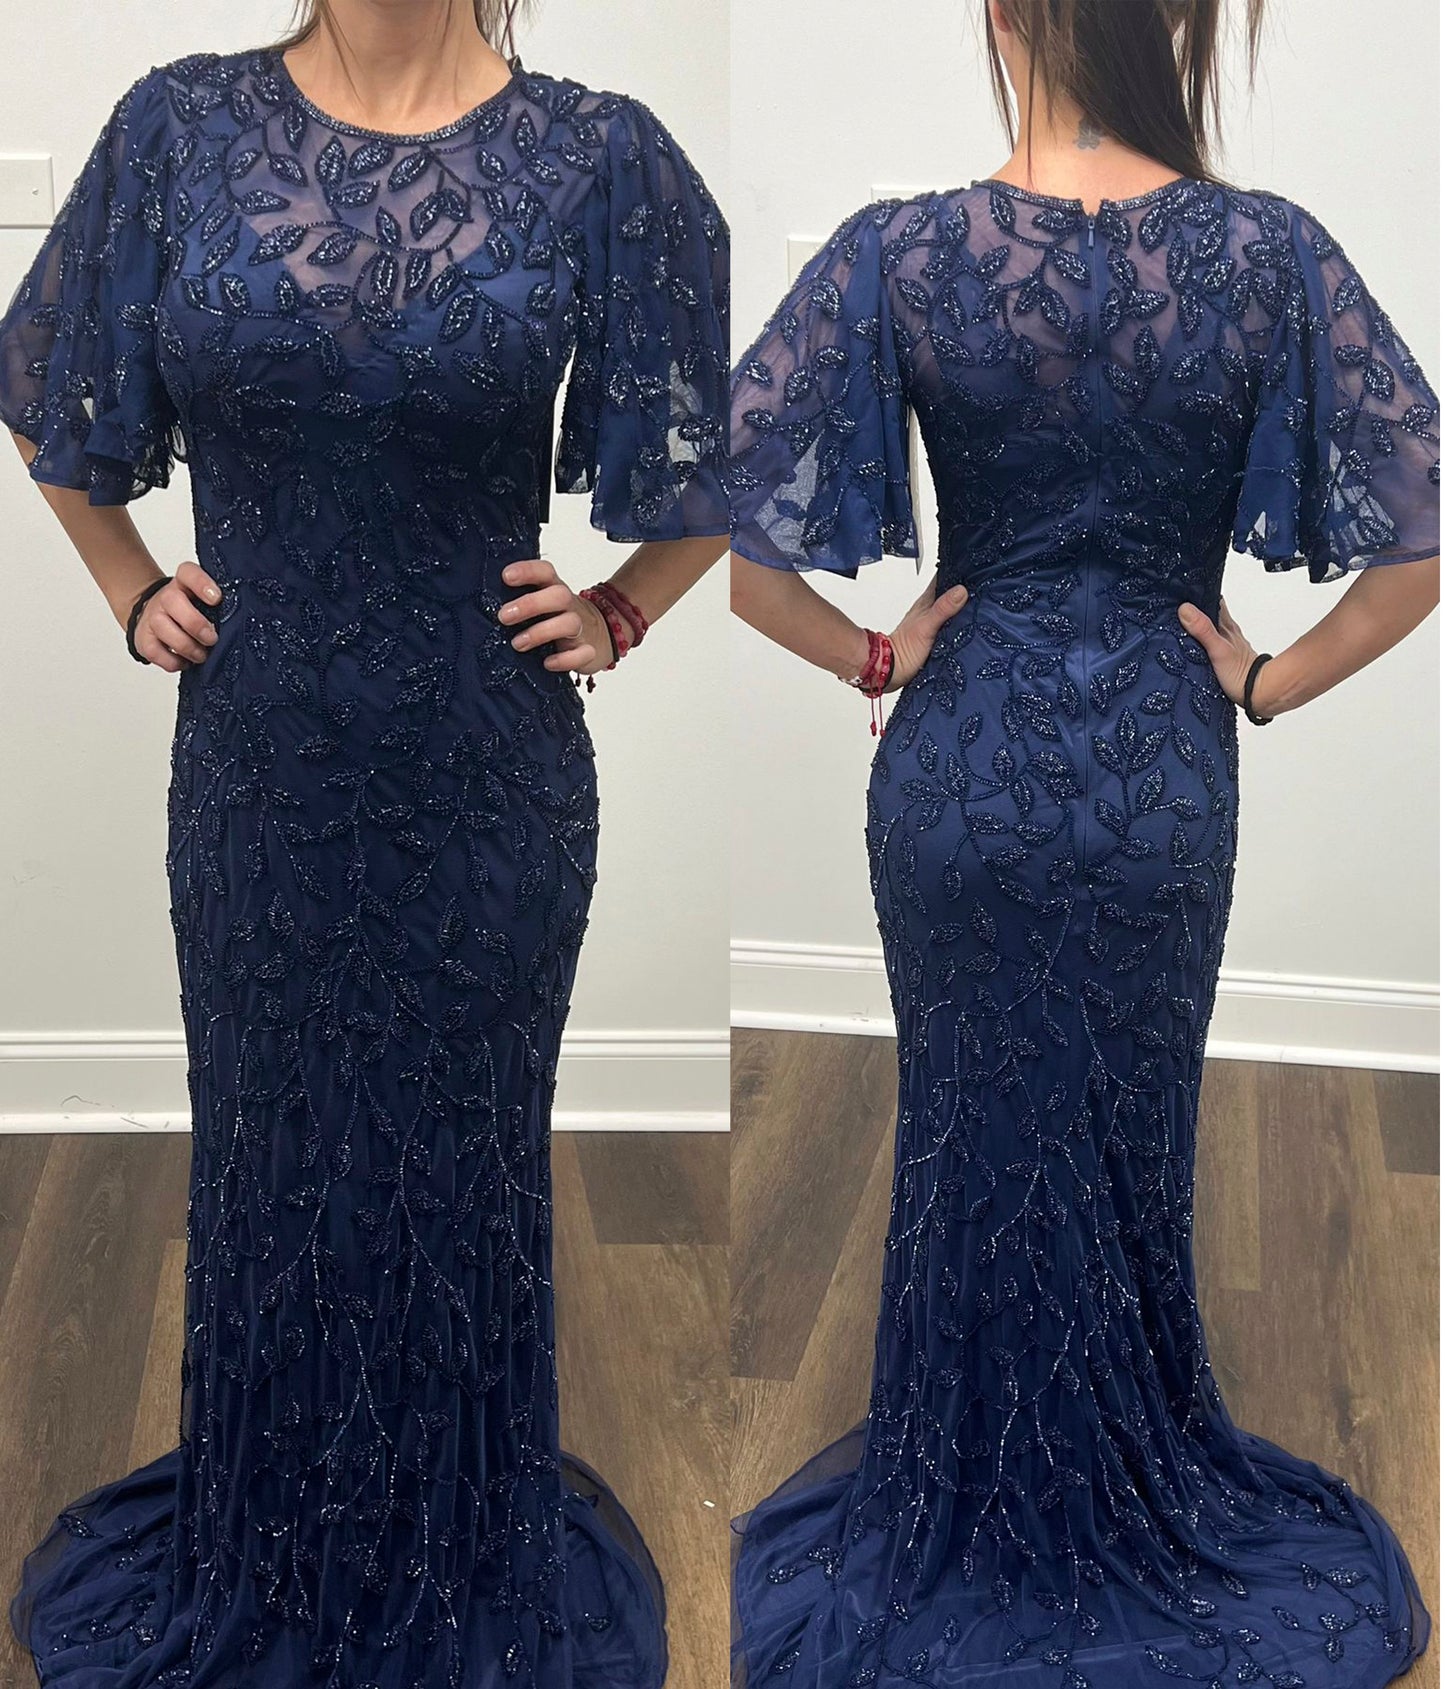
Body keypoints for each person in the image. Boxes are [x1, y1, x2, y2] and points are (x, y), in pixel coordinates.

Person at [0, 3, 728, 1684]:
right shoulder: (178, 127)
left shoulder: (596, 155)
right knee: (273, 1167)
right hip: (257, 776)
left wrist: (623, 605)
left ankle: (453, 1547)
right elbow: (46, 379)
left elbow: (729, 446)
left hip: (485, 781)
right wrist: (128, 587)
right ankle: (272, 1541)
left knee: (457, 1176)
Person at [726, 0, 1438, 1683]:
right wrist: (1260, 680)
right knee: (1125, 1134)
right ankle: (1129, 1461)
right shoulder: (1265, 253)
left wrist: (875, 656)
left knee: (968, 1131)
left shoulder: (901, 251)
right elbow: (1416, 545)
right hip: (1157, 777)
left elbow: (728, 531)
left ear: (998, 13)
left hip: (959, 765)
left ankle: (965, 1484)